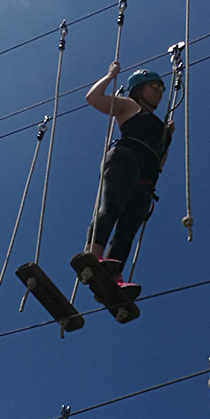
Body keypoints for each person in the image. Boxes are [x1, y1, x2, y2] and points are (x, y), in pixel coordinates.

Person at [83, 62, 173, 299]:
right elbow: (93, 98)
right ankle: (93, 255)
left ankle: (113, 276)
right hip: (125, 159)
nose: (159, 90)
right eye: (154, 85)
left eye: (161, 87)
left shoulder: (161, 127)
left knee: (129, 227)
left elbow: (160, 161)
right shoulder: (130, 106)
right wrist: (110, 75)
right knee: (113, 205)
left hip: (146, 178)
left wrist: (168, 136)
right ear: (137, 89)